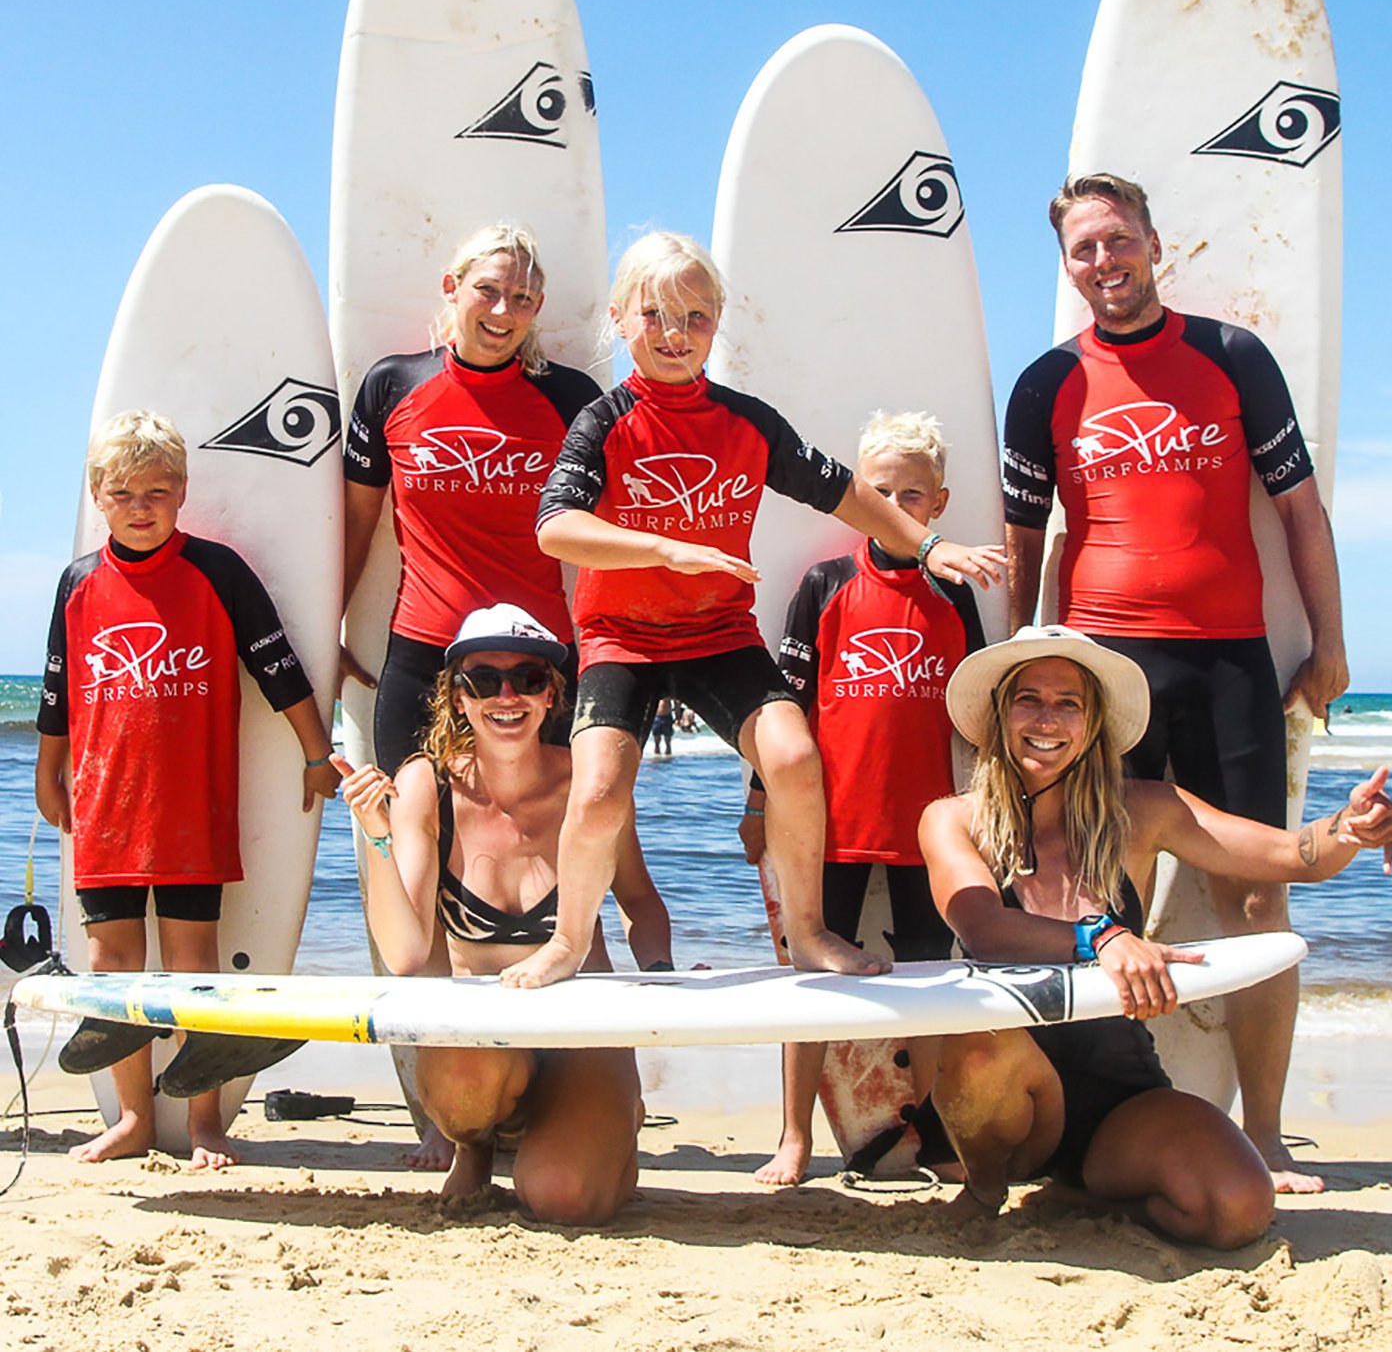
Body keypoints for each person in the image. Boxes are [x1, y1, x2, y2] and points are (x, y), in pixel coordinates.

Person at [530, 231, 1004, 987]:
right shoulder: (605, 421)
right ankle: (566, 942)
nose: (675, 334)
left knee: (793, 756)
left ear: (719, 320)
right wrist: (663, 549)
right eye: (654, 315)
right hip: (621, 635)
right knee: (596, 793)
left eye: (695, 315)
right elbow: (557, 527)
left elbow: (846, 492)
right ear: (620, 318)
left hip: (718, 632)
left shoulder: (747, 421)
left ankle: (809, 931)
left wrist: (928, 547)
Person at [1001, 173, 1347, 1191]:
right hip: (1102, 670)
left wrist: (1328, 639)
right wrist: (1020, 663)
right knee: (1089, 901)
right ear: (1067, 267)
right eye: (1082, 250)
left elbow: (1297, 513)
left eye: (1117, 241)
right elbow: (1027, 539)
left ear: (1155, 243)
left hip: (1228, 658)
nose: (1102, 262)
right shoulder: (1044, 384)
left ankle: (1268, 1131)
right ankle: (1091, 1121)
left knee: (1257, 899)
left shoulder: (1232, 359)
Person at [920, 626, 1392, 1244]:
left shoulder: (1144, 811)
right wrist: (1104, 937)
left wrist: (1351, 826)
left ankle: (1079, 1197)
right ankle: (984, 1186)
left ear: (1093, 723)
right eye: (1028, 699)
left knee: (1235, 1209)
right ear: (998, 715)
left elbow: (1294, 857)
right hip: (1007, 1091)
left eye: (1069, 703)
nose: (1048, 718)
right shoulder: (953, 819)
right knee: (981, 1037)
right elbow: (982, 927)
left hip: (1120, 1095)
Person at [33, 410, 336, 1168]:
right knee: (112, 963)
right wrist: (47, 768)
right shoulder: (78, 583)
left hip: (191, 807)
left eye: (159, 491)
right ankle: (135, 1117)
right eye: (125, 491)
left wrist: (314, 751)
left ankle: (204, 1120)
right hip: (104, 807)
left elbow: (278, 667)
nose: (142, 506)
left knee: (194, 960)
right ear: (98, 495)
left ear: (182, 493)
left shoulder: (217, 571)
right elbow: (55, 690)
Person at [333, 605, 670, 1221]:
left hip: (582, 1033)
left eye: (527, 678)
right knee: (465, 1084)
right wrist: (378, 840)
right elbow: (406, 956)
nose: (506, 695)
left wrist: (662, 977)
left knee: (565, 1200)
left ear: (552, 696)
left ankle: (607, 1117)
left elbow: (641, 903)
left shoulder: (587, 788)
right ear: (457, 698)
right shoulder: (424, 786)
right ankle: (475, 1145)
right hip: (479, 1045)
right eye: (484, 680)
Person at [746, 411, 985, 1186]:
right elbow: (784, 704)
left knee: (935, 982)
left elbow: (980, 711)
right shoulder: (825, 584)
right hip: (829, 827)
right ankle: (793, 1136)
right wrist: (759, 804)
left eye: (911, 495)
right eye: (878, 491)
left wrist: (993, 813)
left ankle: (936, 1131)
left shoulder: (955, 591)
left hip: (927, 828)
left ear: (937, 504)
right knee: (808, 988)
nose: (895, 506)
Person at [341, 224, 602, 770]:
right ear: (451, 287)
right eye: (487, 290)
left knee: (545, 848)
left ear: (538, 308)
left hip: (540, 661)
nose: (503, 311)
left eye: (522, 298)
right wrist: (328, 634)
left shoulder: (571, 397)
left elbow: (610, 525)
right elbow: (357, 525)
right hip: (424, 653)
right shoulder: (393, 385)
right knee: (414, 839)